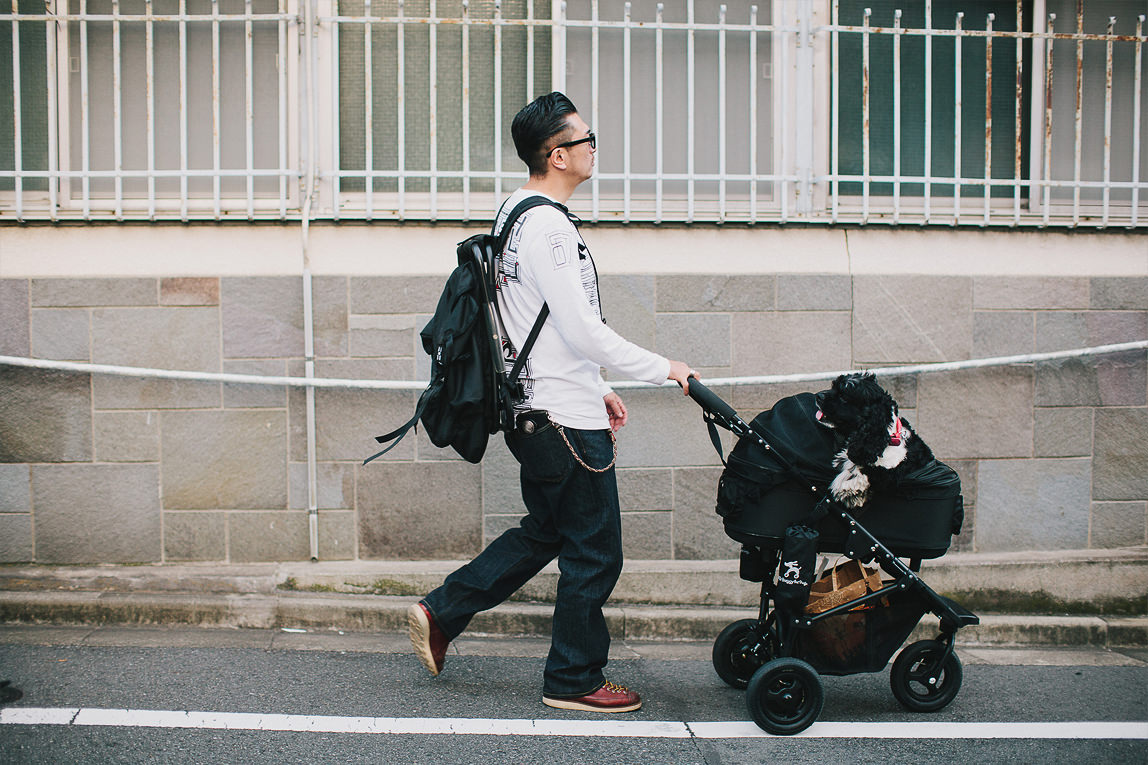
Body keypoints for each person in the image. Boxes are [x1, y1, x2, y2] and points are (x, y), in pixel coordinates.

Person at [408, 91, 696, 714]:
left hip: (537, 410)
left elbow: (534, 326)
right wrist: (663, 368)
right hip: (564, 422)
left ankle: (442, 610)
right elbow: (584, 330)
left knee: (546, 532)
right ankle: (573, 677)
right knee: (596, 551)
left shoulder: (514, 213)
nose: (595, 148)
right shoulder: (551, 229)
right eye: (587, 139)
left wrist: (600, 386)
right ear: (558, 155)